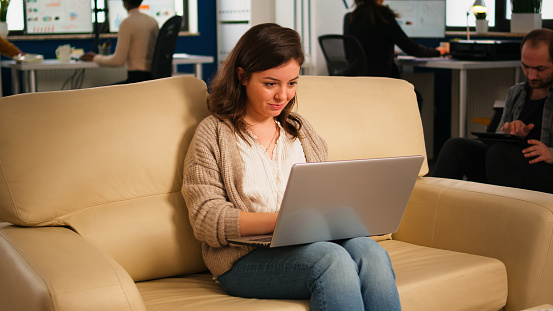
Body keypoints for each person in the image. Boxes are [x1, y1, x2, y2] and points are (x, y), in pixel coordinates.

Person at [181, 23, 401, 311]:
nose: (282, 96)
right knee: (331, 260)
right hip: (244, 259)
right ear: (243, 76)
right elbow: (205, 217)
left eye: (292, 83)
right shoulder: (213, 133)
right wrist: (283, 221)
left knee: (370, 251)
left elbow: (323, 195)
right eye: (271, 83)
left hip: (308, 243)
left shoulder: (301, 130)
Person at [432, 28, 553, 194]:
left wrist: (551, 153)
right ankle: (432, 211)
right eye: (526, 66)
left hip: (546, 171)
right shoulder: (516, 93)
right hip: (509, 164)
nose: (531, 75)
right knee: (455, 146)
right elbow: (503, 141)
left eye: (540, 69)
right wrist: (511, 135)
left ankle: (501, 217)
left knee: (499, 154)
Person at [343, 0, 447, 80]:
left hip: (357, 81)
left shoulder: (350, 17)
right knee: (415, 97)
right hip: (382, 80)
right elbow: (411, 48)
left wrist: (385, 51)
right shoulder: (381, 14)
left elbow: (352, 52)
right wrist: (437, 51)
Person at [80, 0, 158, 84]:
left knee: (103, 93)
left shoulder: (127, 23)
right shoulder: (152, 21)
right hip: (153, 78)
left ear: (124, 3)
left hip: (137, 79)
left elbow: (118, 61)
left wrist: (95, 58)